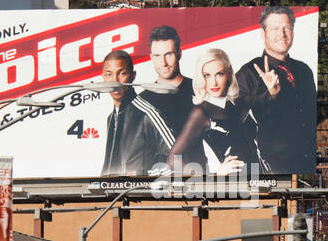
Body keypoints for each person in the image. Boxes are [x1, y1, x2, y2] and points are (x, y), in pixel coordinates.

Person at [234, 5, 318, 175]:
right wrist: (270, 95)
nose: (282, 34)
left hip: (305, 163)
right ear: (262, 33)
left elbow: (310, 116)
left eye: (287, 28)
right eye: (274, 29)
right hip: (269, 168)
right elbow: (235, 117)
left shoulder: (304, 70)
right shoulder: (248, 72)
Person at [167, 48, 262, 175]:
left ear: (228, 74)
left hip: (257, 178)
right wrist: (214, 176)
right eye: (207, 75)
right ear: (201, 77)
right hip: (230, 186)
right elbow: (173, 160)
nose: (214, 82)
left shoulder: (236, 104)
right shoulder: (201, 112)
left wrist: (272, 92)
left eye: (219, 74)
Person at [99, 50, 172, 176]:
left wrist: (146, 182)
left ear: (133, 75)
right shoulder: (111, 118)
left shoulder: (147, 113)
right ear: (103, 77)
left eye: (122, 73)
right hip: (115, 195)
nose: (115, 81)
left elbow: (177, 156)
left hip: (138, 194)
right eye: (109, 74)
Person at [139, 24, 202, 170]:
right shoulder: (142, 101)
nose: (163, 63)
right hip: (157, 183)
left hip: (197, 179)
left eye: (169, 54)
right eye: (157, 56)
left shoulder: (200, 89)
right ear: (150, 57)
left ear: (179, 54)